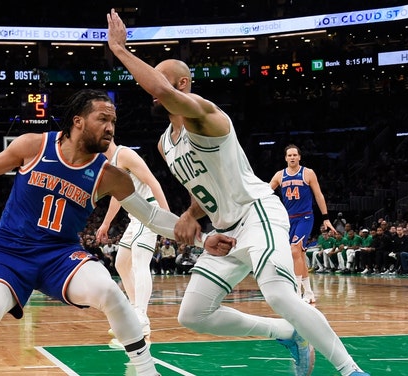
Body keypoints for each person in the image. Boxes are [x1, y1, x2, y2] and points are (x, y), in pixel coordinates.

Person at [106, 9, 369, 376]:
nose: (149, 91)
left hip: (257, 212)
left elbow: (158, 88)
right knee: (193, 313)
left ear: (181, 84)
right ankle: (286, 333)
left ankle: (351, 370)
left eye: (161, 81)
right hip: (225, 230)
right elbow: (205, 191)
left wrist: (119, 49)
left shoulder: (207, 115)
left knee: (278, 293)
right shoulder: (165, 144)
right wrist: (187, 215)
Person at [0, 89, 230, 376]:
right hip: (10, 252)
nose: (110, 127)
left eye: (113, 122)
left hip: (59, 255)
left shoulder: (110, 176)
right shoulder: (35, 145)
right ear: (77, 121)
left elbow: (150, 215)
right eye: (102, 119)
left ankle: (147, 371)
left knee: (108, 289)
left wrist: (202, 238)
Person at [96, 139, 170, 343]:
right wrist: (105, 223)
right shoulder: (110, 164)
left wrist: (166, 215)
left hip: (148, 212)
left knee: (139, 262)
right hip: (134, 218)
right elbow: (117, 198)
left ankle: (140, 318)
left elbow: (152, 181)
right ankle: (137, 314)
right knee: (121, 263)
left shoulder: (125, 154)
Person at [269, 144, 337, 303]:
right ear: (285, 158)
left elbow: (319, 196)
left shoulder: (308, 173)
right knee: (299, 255)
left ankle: (295, 291)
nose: (292, 157)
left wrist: (326, 218)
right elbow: (265, 192)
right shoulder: (279, 175)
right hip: (288, 219)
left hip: (305, 217)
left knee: (294, 251)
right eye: (289, 155)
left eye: (295, 155)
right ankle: (309, 293)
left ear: (299, 157)